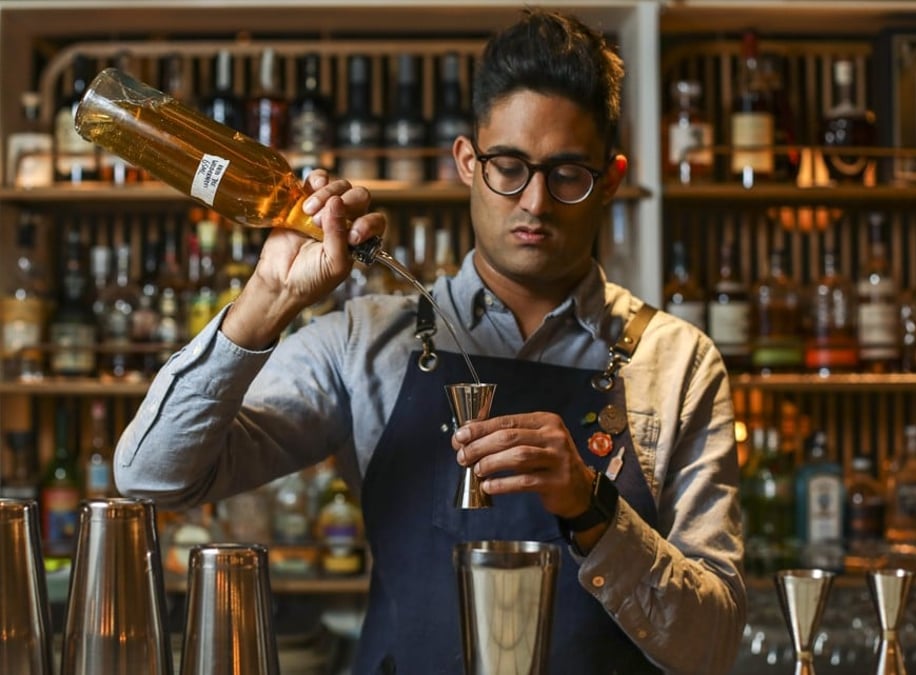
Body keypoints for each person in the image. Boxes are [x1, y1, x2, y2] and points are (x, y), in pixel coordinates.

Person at [115, 8, 745, 674]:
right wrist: (268, 296)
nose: (534, 202)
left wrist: (593, 510)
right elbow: (152, 476)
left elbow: (712, 645)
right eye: (509, 166)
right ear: (468, 162)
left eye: (566, 173)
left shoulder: (677, 363)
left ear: (611, 178)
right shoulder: (367, 341)